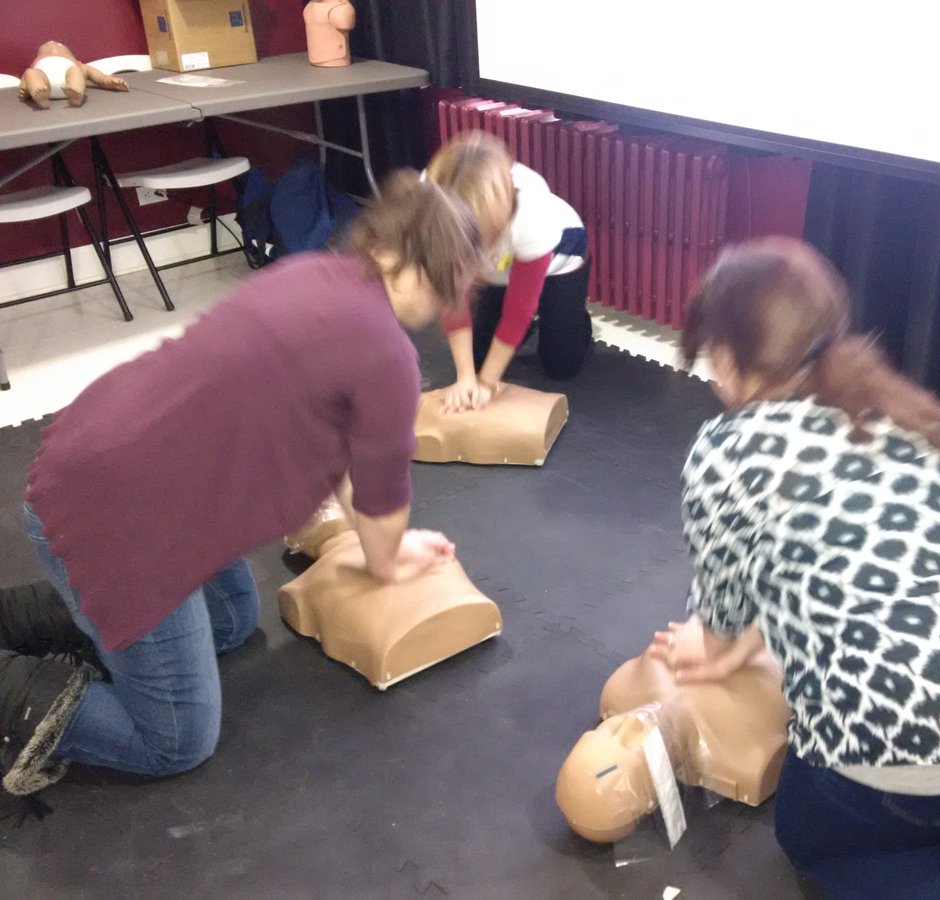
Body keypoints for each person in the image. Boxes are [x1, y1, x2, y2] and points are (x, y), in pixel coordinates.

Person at [650, 237, 940, 899]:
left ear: (729, 357)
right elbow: (819, 564)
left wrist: (716, 652)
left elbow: (728, 596)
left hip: (926, 731)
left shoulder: (727, 451)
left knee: (818, 835)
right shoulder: (894, 410)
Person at [1, 171, 482, 799]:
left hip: (102, 450)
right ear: (432, 269)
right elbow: (381, 495)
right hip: (116, 512)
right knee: (175, 741)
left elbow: (341, 447)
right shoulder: (389, 356)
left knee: (233, 620)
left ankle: (26, 611)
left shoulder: (313, 270)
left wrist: (376, 544)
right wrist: (390, 558)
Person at [426, 131, 592, 413]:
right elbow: (453, 298)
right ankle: (519, 328)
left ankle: (574, 318)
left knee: (561, 366)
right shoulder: (432, 201)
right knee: (477, 361)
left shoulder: (532, 216)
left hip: (558, 262)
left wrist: (488, 384)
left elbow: (519, 308)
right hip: (498, 272)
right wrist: (466, 378)